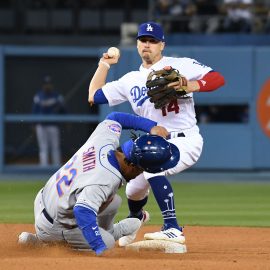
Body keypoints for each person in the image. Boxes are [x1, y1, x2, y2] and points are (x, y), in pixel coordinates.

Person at [88, 21, 225, 246]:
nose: (147, 45)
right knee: (133, 188)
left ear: (162, 45)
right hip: (153, 142)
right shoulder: (130, 80)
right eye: (143, 40)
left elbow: (218, 78)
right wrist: (104, 64)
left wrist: (192, 85)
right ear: (138, 44)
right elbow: (94, 95)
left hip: (185, 139)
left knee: (151, 163)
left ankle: (172, 227)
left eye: (153, 41)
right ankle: (135, 219)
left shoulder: (180, 65)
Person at [18, 111, 177, 255]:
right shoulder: (105, 179)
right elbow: (82, 211)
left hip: (44, 200)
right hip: (55, 226)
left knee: (114, 201)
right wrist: (100, 248)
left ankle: (47, 238)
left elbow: (114, 118)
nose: (141, 173)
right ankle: (42, 242)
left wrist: (152, 127)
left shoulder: (105, 141)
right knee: (106, 243)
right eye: (142, 169)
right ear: (132, 165)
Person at [32, 75, 66, 167]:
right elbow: (34, 112)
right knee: (43, 147)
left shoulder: (57, 96)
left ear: (52, 85)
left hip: (53, 125)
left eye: (49, 84)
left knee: (55, 147)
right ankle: (43, 168)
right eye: (46, 84)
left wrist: (66, 121)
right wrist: (34, 124)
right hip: (41, 125)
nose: (47, 86)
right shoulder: (38, 96)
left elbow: (64, 111)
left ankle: (56, 167)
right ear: (43, 85)